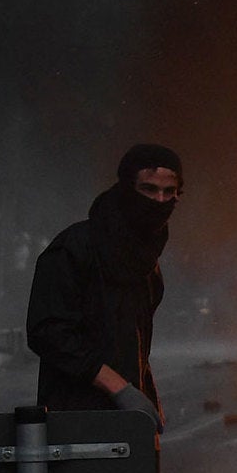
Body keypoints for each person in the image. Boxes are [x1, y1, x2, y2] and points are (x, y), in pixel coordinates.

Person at [26, 144, 182, 454]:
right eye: (148, 189)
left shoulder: (147, 265)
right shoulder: (74, 248)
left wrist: (146, 396)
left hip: (127, 422)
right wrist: (119, 388)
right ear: (126, 189)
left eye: (169, 192)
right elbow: (48, 331)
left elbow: (133, 341)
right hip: (74, 422)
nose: (159, 201)